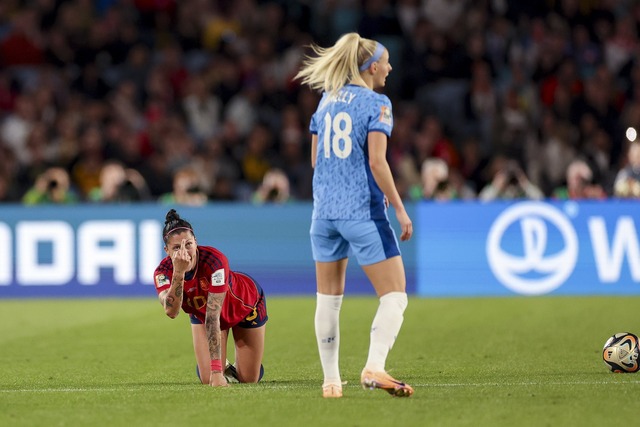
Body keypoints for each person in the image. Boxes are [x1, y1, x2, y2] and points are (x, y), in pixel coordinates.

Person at [295, 32, 414, 398]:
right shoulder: (377, 103)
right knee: (395, 295)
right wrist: (399, 206)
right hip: (360, 211)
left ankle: (331, 382)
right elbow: (377, 162)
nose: (390, 68)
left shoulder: (325, 101)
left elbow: (316, 161)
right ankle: (374, 366)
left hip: (323, 214)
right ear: (372, 66)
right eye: (387, 61)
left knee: (328, 300)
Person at [153, 209, 268, 387]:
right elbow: (171, 311)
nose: (185, 252)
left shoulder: (215, 261)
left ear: (196, 242)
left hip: (244, 305)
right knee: (207, 380)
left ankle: (236, 365)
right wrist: (179, 273)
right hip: (201, 313)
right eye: (176, 248)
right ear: (166, 250)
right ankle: (217, 365)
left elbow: (214, 316)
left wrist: (217, 372)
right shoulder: (163, 272)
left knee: (248, 379)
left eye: (188, 244)